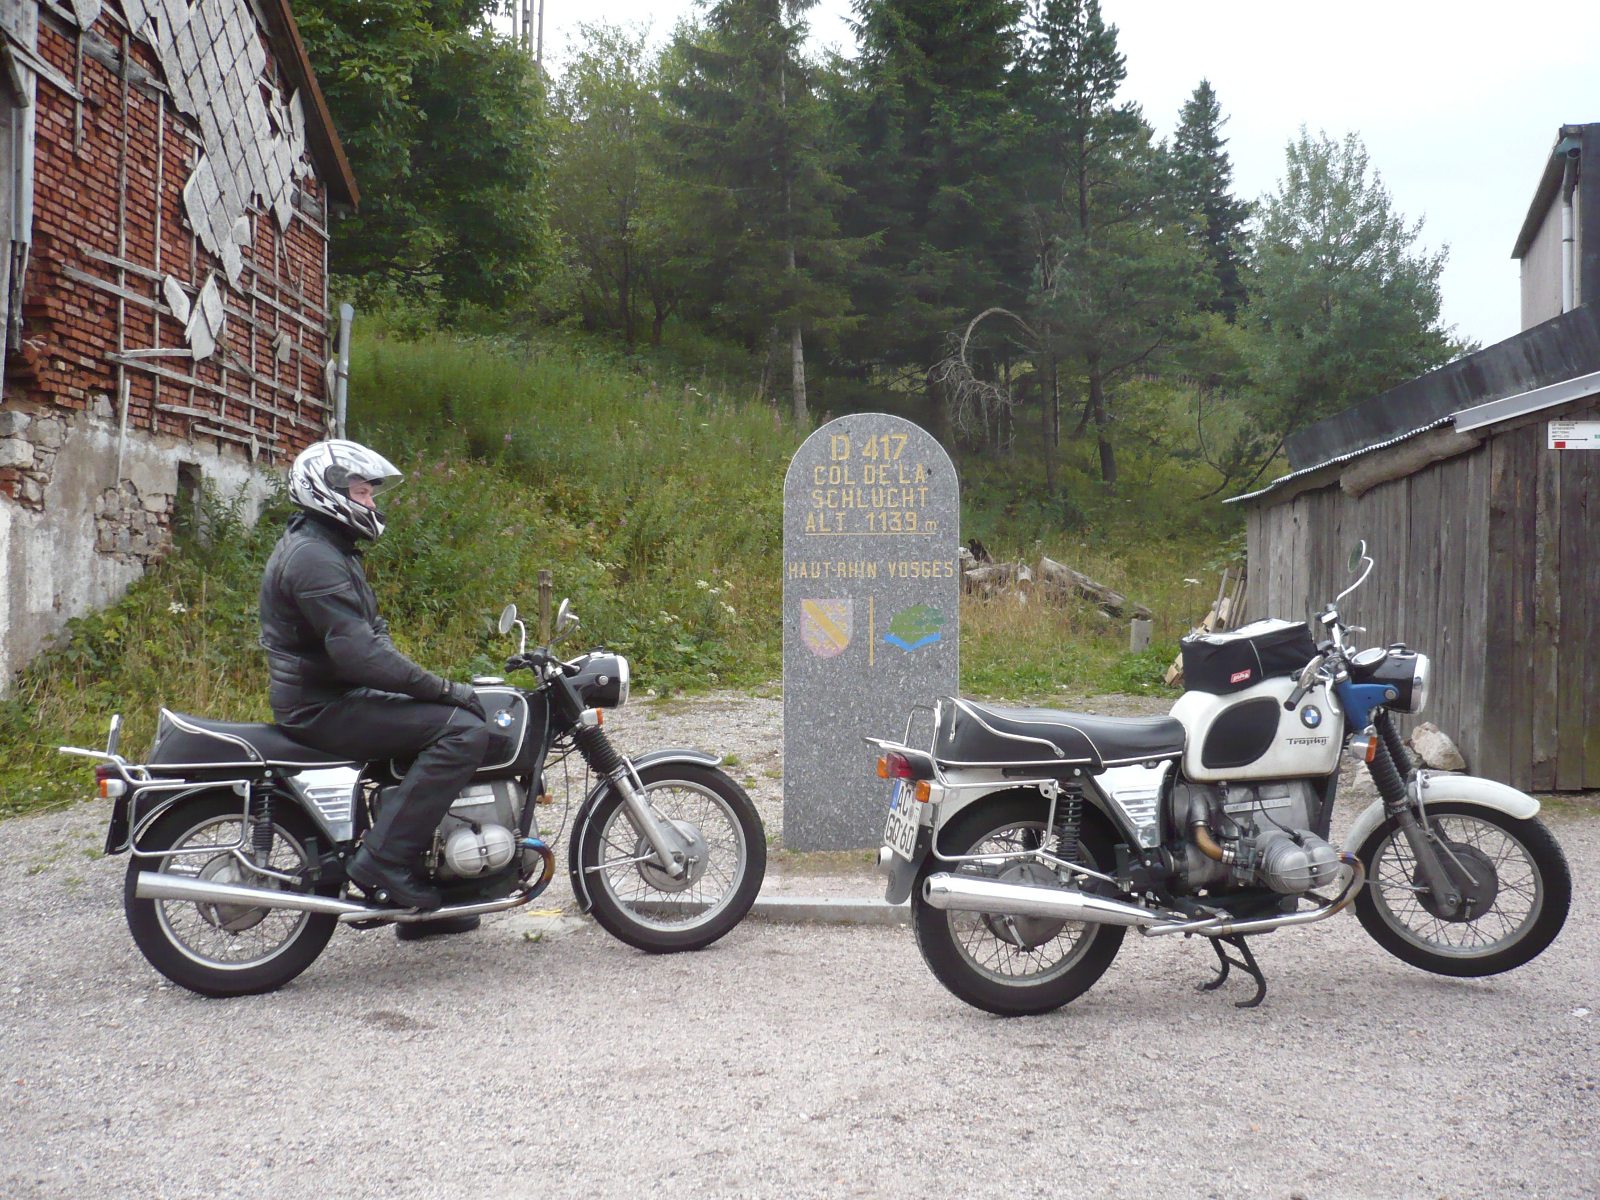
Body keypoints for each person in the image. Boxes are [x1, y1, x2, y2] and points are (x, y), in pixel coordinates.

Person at [259, 439, 490, 932]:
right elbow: (360, 654)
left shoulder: (324, 546)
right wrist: (444, 689)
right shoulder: (314, 558)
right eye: (363, 493)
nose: (371, 503)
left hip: (329, 694)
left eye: (369, 494)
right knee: (462, 731)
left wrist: (422, 687)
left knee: (439, 722)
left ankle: (436, 887)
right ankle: (384, 862)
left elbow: (364, 645)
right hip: (324, 705)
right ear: (328, 493)